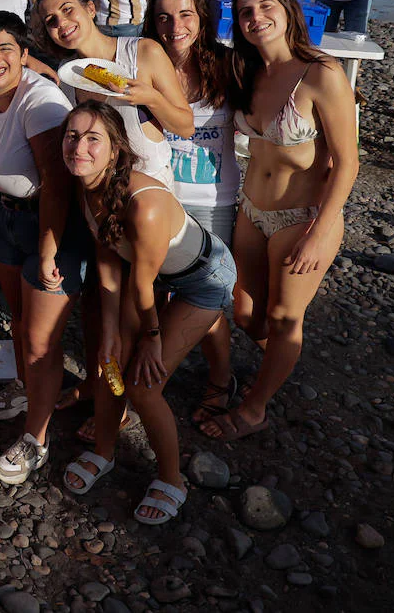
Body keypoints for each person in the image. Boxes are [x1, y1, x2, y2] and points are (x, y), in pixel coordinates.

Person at [58, 101, 236, 525]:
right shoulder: (86, 184)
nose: (78, 146)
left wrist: (150, 339)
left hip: (202, 278)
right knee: (106, 364)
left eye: (92, 138)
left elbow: (140, 285)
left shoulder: (146, 203)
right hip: (147, 276)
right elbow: (106, 256)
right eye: (71, 135)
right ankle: (103, 452)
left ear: (117, 150)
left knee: (142, 384)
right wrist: (107, 333)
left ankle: (172, 478)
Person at [201, 0, 357, 440]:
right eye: (245, 11)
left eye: (266, 6)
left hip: (303, 217)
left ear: (288, 10)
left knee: (287, 318)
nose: (256, 18)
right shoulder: (246, 70)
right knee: (247, 314)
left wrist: (319, 232)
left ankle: (255, 408)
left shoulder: (321, 73)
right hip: (253, 209)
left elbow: (348, 163)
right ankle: (279, 361)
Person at [0, 13, 87, 482]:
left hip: (47, 223)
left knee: (42, 343)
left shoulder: (41, 100)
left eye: (6, 49)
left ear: (25, 55)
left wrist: (49, 248)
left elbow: (56, 186)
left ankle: (36, 439)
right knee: (20, 322)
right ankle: (28, 391)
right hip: (3, 219)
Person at [143, 0, 239, 423]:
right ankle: (149, 377)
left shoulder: (227, 64)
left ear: (201, 17)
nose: (174, 26)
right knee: (156, 294)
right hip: (158, 195)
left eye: (184, 14)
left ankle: (220, 378)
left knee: (212, 296)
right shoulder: (145, 62)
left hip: (213, 199)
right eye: (163, 17)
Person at [32, 0, 193, 186]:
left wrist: (151, 99)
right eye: (50, 20)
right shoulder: (67, 74)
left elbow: (186, 127)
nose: (61, 22)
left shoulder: (143, 52)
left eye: (67, 10)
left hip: (148, 193)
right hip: (97, 194)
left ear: (90, 9)